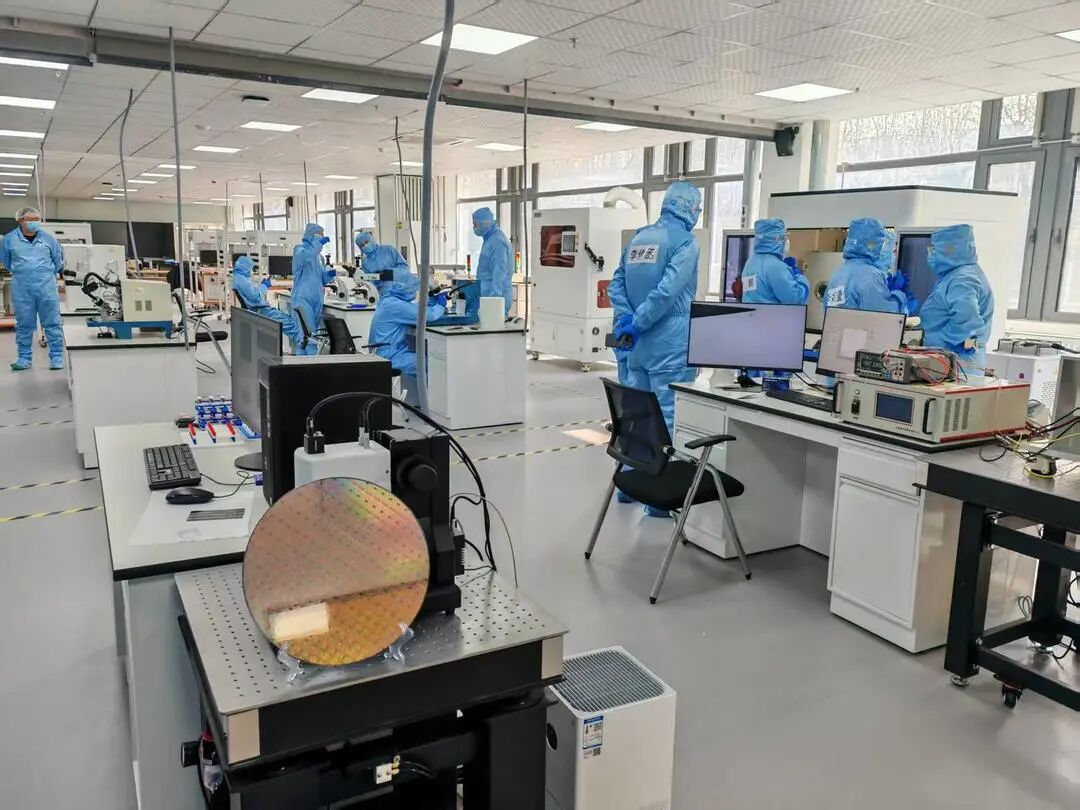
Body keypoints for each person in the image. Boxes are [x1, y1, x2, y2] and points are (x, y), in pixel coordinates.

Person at [609, 181, 702, 516]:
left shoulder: (639, 238)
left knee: (637, 415)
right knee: (667, 416)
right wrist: (641, 321)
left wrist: (628, 319)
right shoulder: (685, 243)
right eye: (697, 207)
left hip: (636, 344)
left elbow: (616, 283)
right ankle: (659, 502)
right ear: (689, 207)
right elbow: (667, 292)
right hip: (669, 341)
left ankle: (629, 485)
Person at [920, 224, 994, 373]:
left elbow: (967, 324)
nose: (931, 254)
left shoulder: (962, 279)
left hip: (957, 365)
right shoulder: (956, 275)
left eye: (934, 249)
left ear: (949, 249)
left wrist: (940, 343)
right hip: (948, 362)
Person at [0, 207, 64, 371]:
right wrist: (24, 272)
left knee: (52, 323)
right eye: (31, 219)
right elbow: (7, 261)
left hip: (47, 288)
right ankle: (24, 358)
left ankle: (56, 357)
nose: (35, 222)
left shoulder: (49, 239)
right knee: (24, 325)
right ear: (20, 221)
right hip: (22, 289)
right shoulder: (9, 240)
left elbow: (57, 261)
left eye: (37, 219)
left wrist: (43, 274)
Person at [368, 273, 447, 377]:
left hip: (385, 353)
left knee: (426, 359)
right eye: (411, 288)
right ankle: (431, 388)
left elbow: (412, 309)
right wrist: (440, 305)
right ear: (400, 287)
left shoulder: (388, 301)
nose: (412, 291)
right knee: (433, 364)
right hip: (390, 357)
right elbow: (429, 315)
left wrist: (432, 301)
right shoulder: (394, 305)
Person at [824, 218, 906, 314]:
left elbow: (831, 312)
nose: (892, 256)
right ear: (875, 246)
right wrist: (898, 296)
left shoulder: (838, 275)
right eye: (892, 251)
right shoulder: (871, 276)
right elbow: (883, 315)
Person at [230, 255, 303, 350]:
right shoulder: (241, 280)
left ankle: (298, 347)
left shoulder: (238, 277)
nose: (251, 271)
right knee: (290, 324)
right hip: (259, 310)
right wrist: (264, 286)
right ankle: (302, 349)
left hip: (256, 309)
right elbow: (255, 296)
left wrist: (262, 285)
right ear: (245, 268)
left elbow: (251, 292)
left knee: (287, 317)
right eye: (251, 269)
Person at [290, 223, 336, 355]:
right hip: (303, 298)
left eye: (322, 234)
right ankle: (309, 363)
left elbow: (320, 278)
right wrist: (318, 244)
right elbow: (306, 257)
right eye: (318, 234)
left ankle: (306, 362)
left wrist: (329, 275)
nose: (321, 236)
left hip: (317, 299)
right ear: (310, 235)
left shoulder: (320, 258)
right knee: (308, 337)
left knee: (311, 334)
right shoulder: (299, 250)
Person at [740, 218, 809, 305]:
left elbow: (753, 295)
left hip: (753, 313)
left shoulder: (750, 263)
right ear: (777, 239)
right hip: (772, 314)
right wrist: (799, 277)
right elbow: (795, 300)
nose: (786, 241)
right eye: (784, 237)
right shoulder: (776, 267)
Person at [472, 206, 513, 316]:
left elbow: (500, 271)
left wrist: (494, 299)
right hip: (489, 296)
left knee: (494, 325)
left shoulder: (497, 241)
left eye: (475, 224)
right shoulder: (490, 240)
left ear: (484, 223)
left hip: (496, 297)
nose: (474, 228)